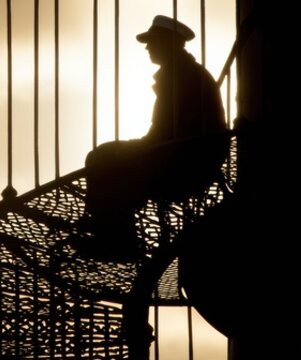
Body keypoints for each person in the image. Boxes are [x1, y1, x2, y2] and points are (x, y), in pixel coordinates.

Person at [79, 15, 227, 262]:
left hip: (183, 160)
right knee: (108, 156)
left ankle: (116, 239)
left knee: (102, 157)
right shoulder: (184, 72)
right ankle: (112, 233)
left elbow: (166, 130)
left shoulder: (181, 75)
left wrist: (140, 148)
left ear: (168, 42)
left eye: (152, 41)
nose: (147, 47)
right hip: (184, 154)